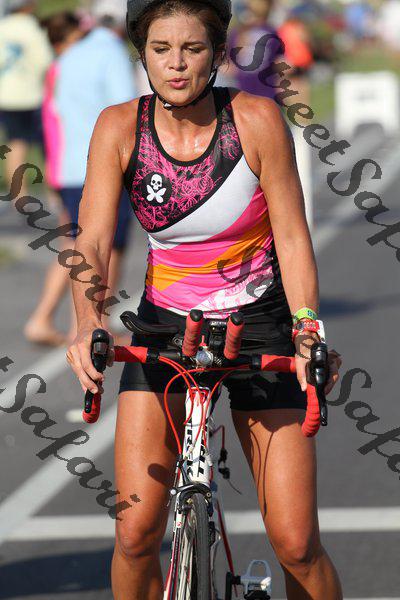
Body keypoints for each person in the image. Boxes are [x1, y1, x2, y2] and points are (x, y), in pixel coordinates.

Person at [66, 1, 343, 599]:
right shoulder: (119, 126)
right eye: (160, 50)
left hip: (261, 323)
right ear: (142, 55)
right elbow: (92, 240)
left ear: (217, 54)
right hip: (166, 327)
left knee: (296, 544)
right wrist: (87, 322)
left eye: (192, 49)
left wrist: (306, 328)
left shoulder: (256, 119)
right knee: (135, 534)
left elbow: (292, 236)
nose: (176, 64)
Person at [24, 0, 137, 346]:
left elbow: (52, 114)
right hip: (102, 165)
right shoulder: (111, 51)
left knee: (76, 244)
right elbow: (126, 109)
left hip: (68, 165)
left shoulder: (66, 58)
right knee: (108, 246)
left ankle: (45, 318)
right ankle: (91, 325)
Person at [0, 0, 52, 199]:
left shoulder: (3, 26)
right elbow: (44, 62)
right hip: (31, 96)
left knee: (15, 144)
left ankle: (18, 194)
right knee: (47, 145)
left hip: (6, 96)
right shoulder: (32, 28)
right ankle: (54, 193)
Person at [227, 0, 283, 98]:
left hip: (245, 89)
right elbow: (279, 59)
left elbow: (227, 59)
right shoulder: (271, 31)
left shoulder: (238, 31)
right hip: (263, 89)